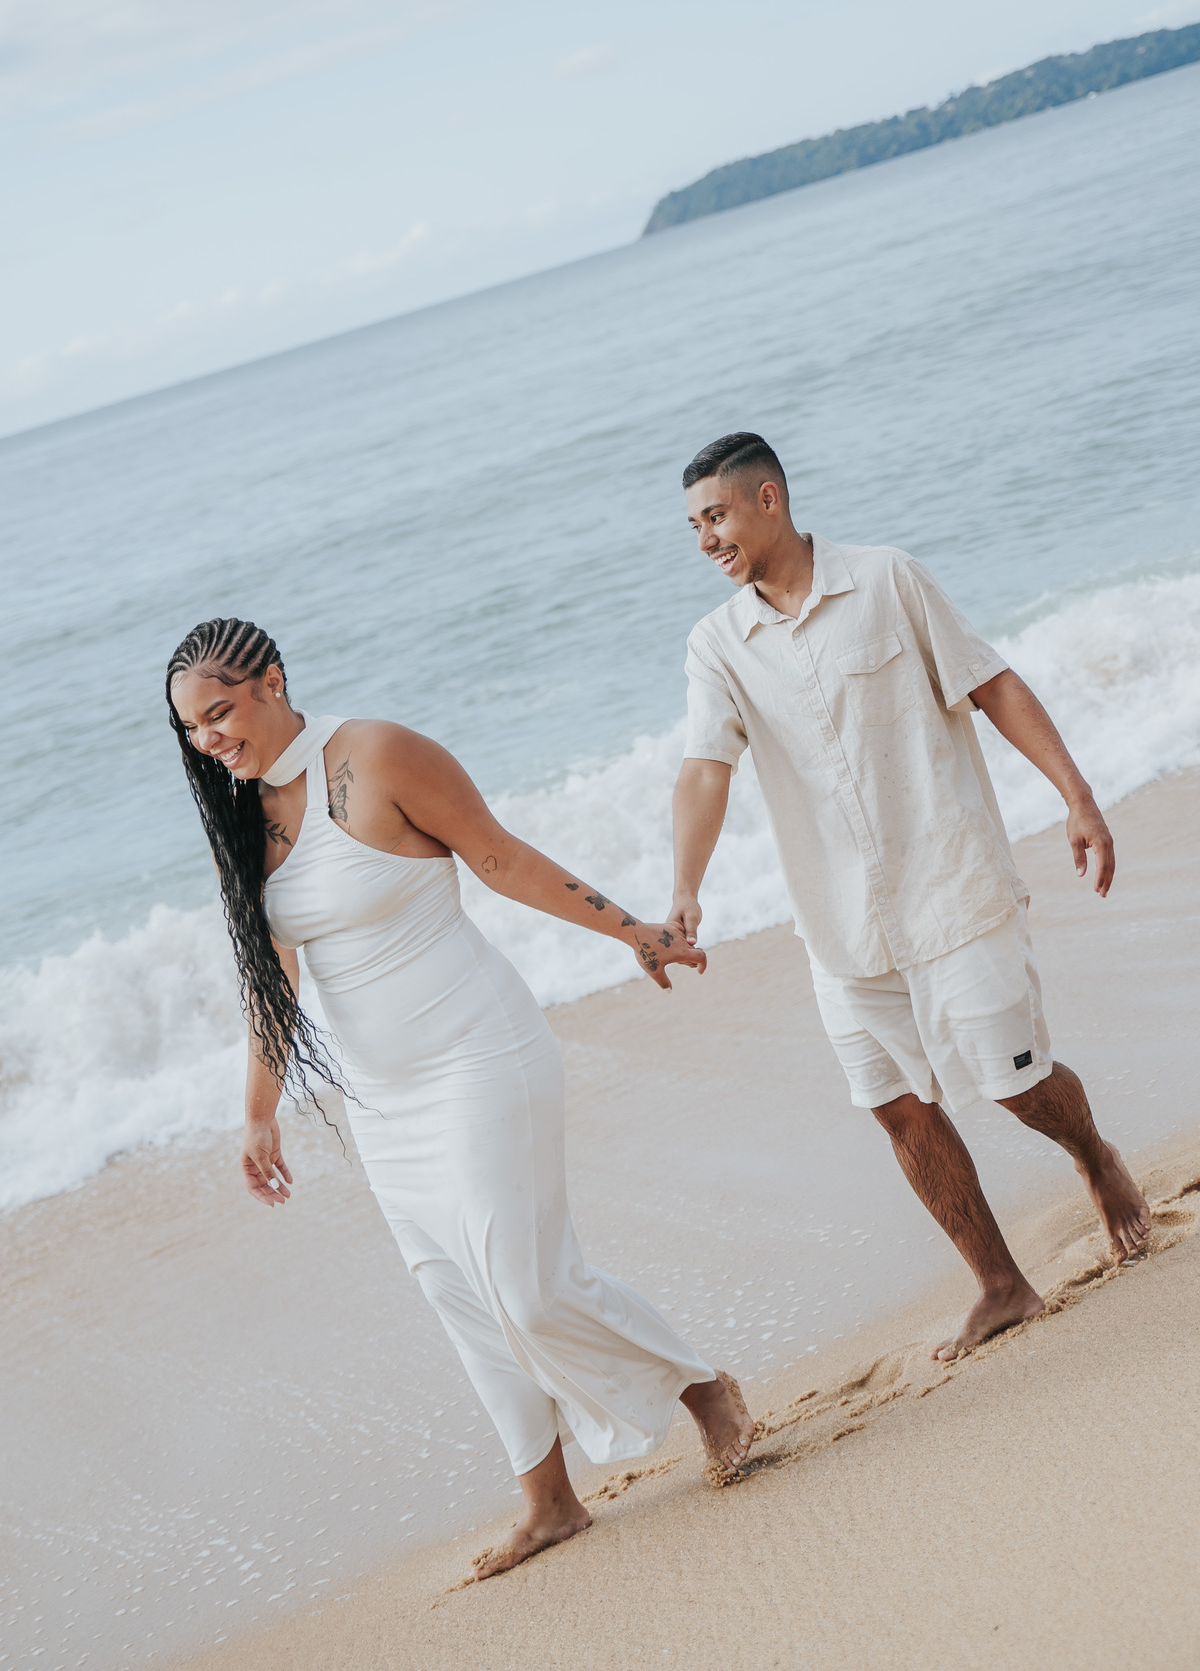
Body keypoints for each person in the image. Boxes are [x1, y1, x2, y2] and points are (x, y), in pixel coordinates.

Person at [165, 617, 756, 1579]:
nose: (208, 739)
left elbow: (501, 858)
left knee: (527, 1286)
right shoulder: (243, 821)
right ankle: (550, 1503)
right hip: (382, 1100)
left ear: (272, 681)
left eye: (219, 713)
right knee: (462, 1299)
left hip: (480, 1054)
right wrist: (258, 1111)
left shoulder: (378, 754)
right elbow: (271, 982)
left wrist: (634, 933)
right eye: (192, 727)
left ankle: (700, 1389)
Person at [670, 432, 1150, 1362]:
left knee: (1018, 1085)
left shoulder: (888, 580)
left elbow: (992, 685)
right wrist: (684, 889)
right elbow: (703, 770)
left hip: (951, 891)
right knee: (897, 1108)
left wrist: (1078, 797)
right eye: (693, 526)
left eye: (715, 517)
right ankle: (1000, 1284)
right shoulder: (717, 646)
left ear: (768, 500)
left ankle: (1095, 1156)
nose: (705, 541)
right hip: (841, 929)